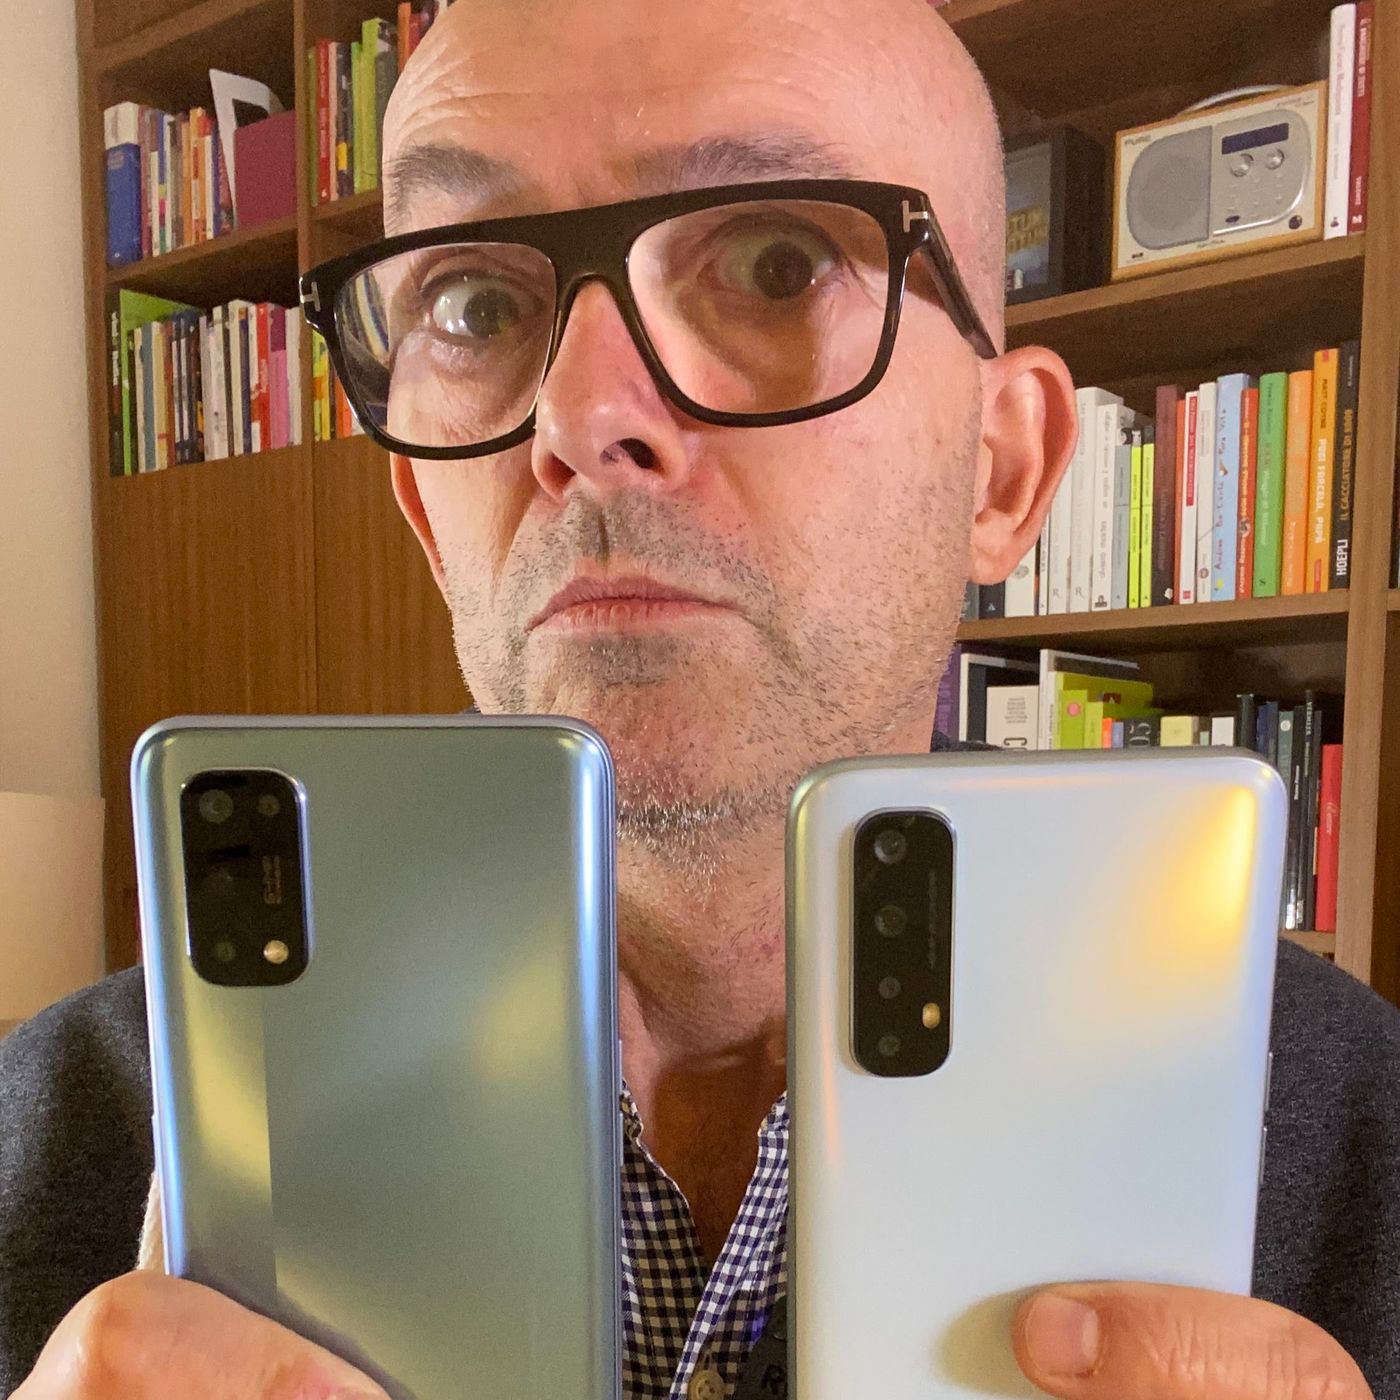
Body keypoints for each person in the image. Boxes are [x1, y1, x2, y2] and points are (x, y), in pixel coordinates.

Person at [3, 0, 1399, 1394]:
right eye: (475, 304)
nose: (579, 419)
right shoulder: (53, 1132)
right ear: (424, 514)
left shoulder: (1369, 1149)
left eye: (777, 264)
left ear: (1003, 472)